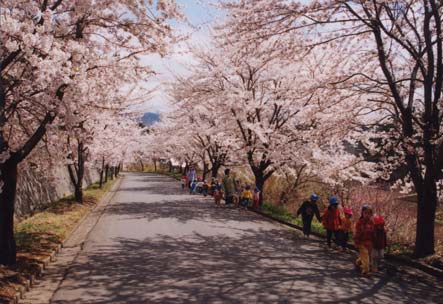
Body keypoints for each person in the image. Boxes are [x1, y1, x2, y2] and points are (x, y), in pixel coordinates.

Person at [354, 205, 375, 275]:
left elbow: (373, 232)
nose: (367, 215)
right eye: (365, 213)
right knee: (365, 256)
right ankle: (366, 271)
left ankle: (358, 262)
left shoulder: (372, 222)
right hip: (361, 242)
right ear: (362, 213)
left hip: (369, 243)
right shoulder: (359, 223)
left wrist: (374, 240)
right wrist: (356, 242)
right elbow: (357, 233)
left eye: (369, 213)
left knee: (366, 256)